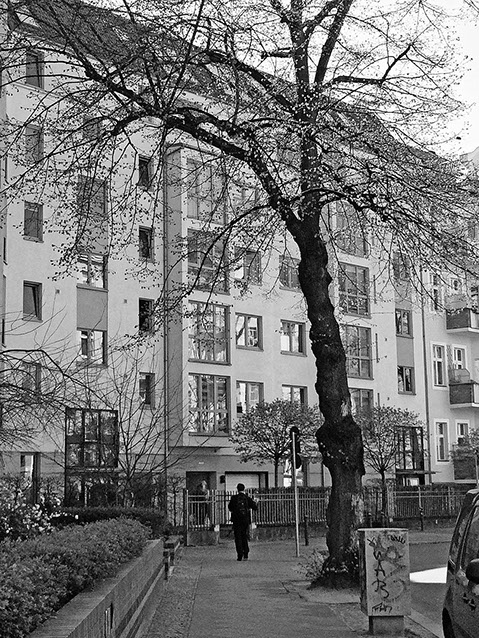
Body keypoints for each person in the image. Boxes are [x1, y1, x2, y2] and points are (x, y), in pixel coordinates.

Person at [228, 483, 257, 561]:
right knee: (244, 536)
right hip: (245, 520)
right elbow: (255, 507)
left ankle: (239, 555)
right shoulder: (247, 498)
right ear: (244, 489)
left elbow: (230, 507)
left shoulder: (234, 498)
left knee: (238, 537)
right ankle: (246, 553)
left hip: (236, 520)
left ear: (237, 489)